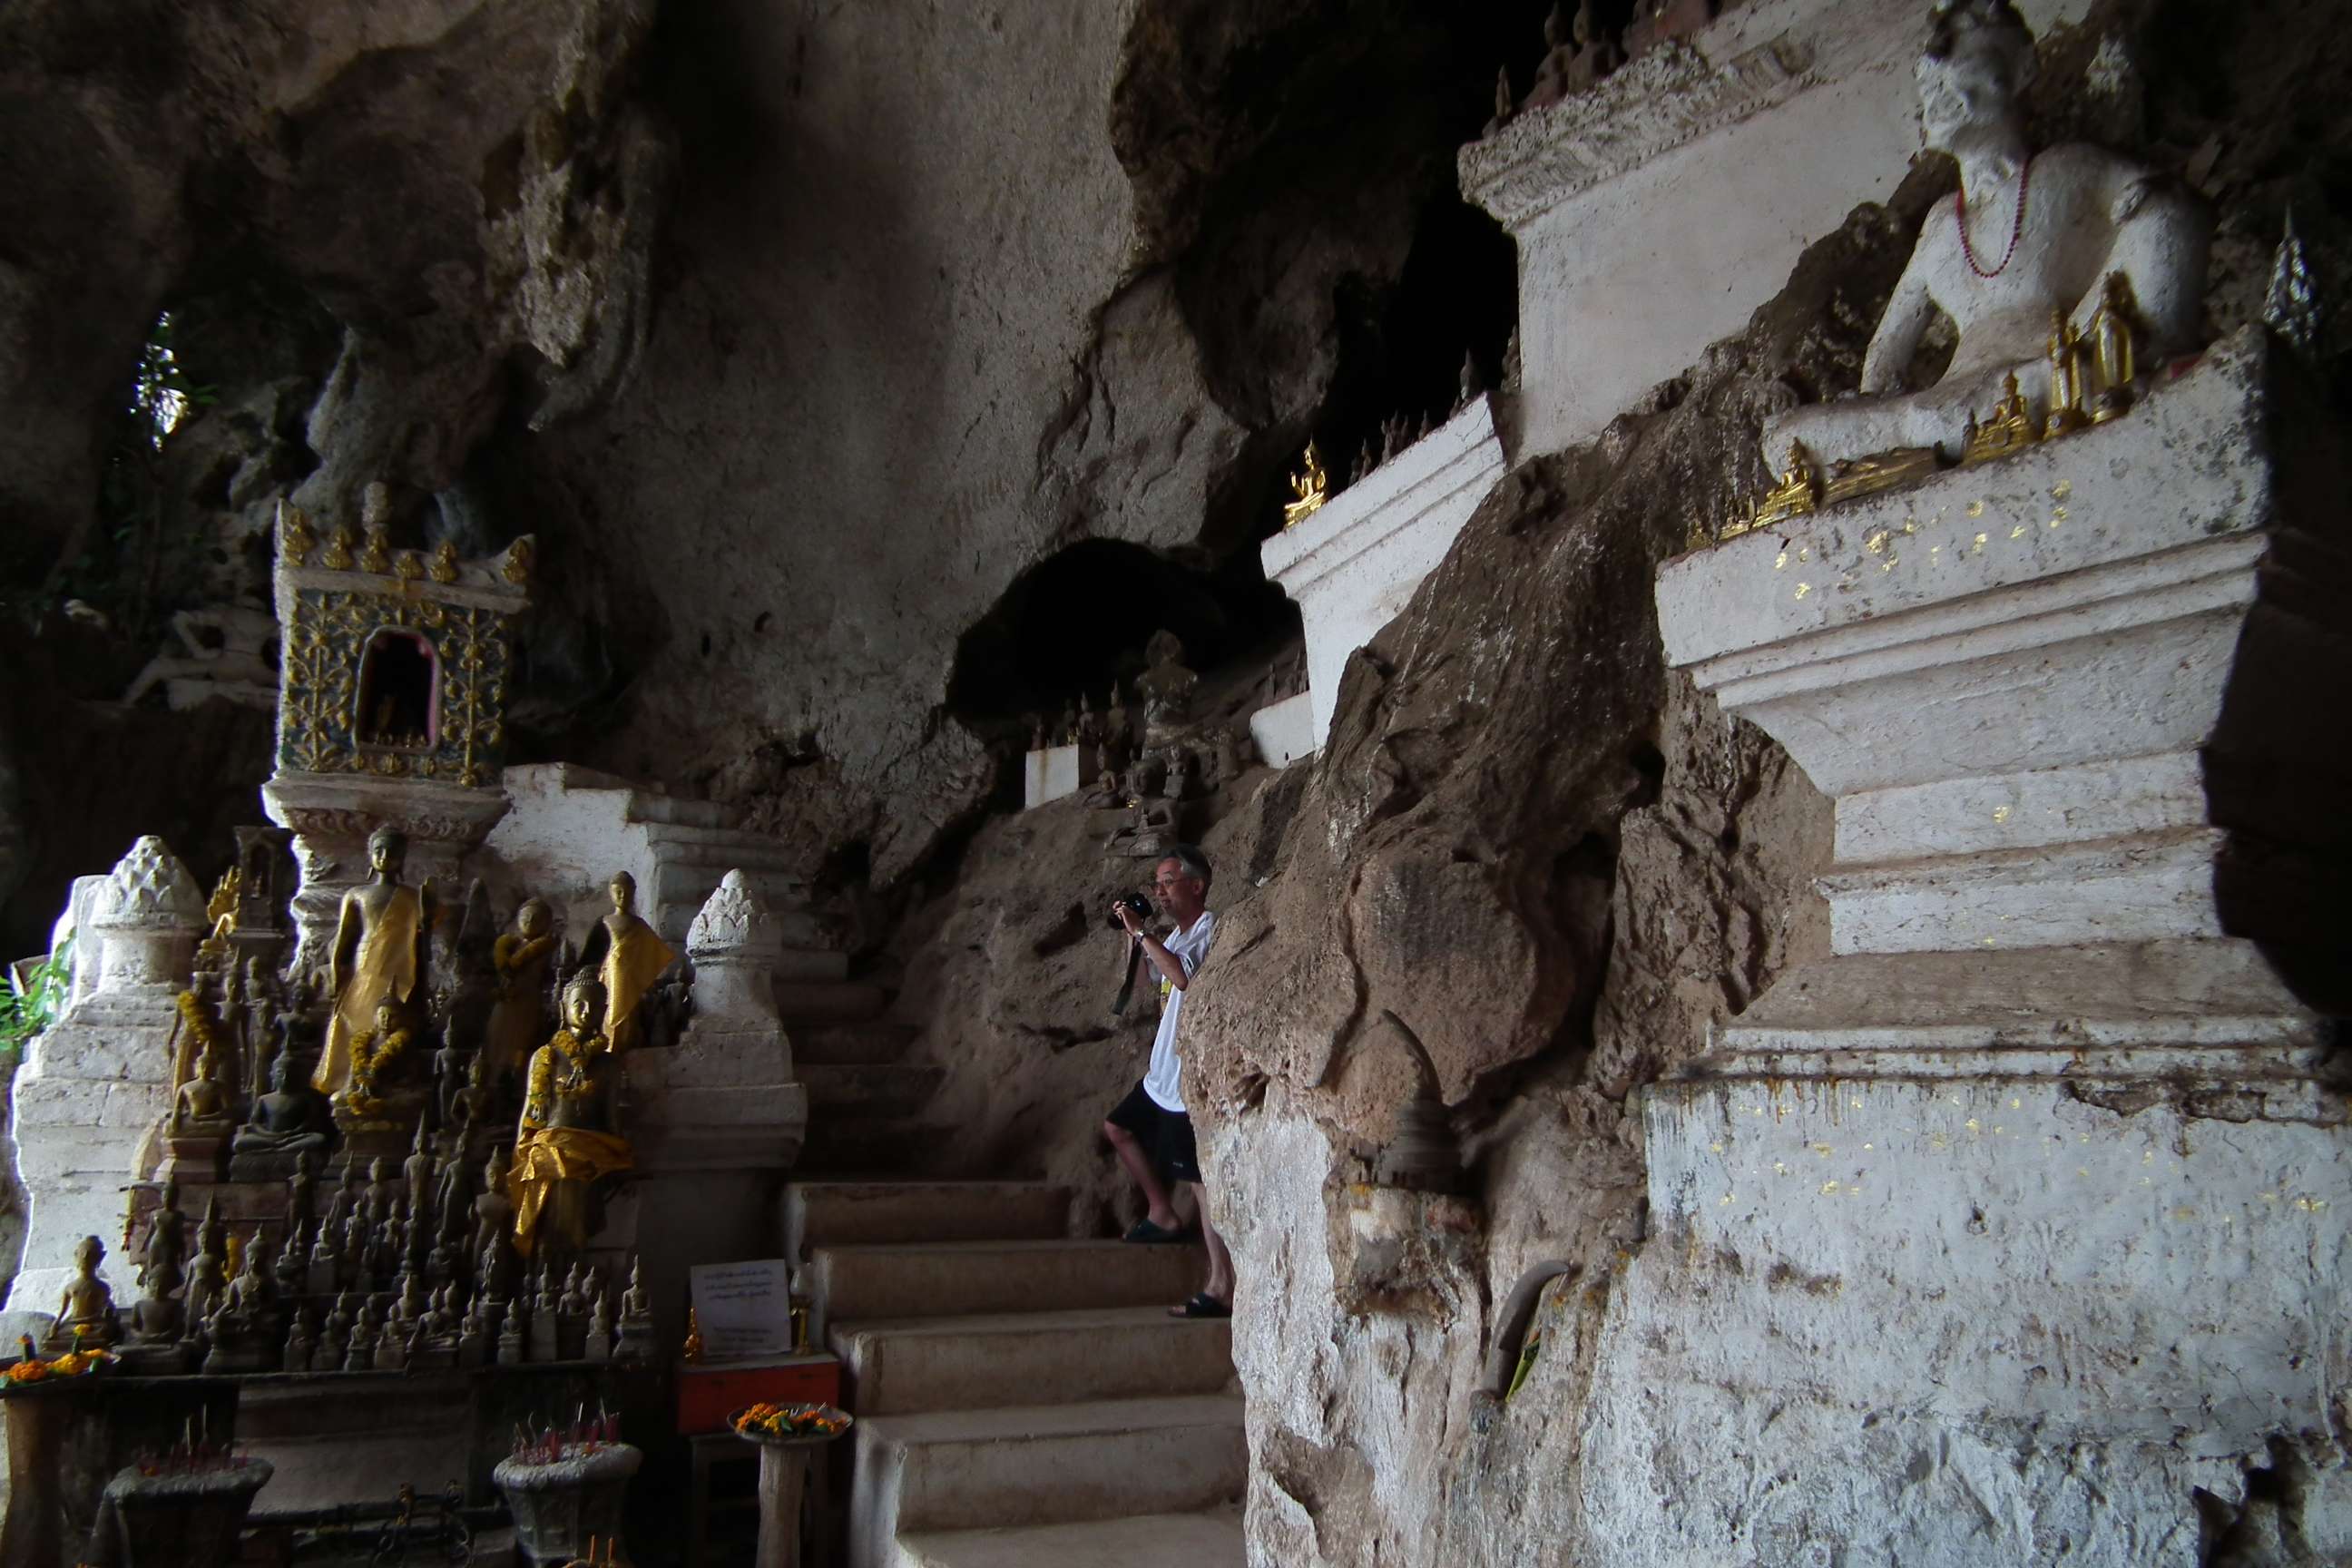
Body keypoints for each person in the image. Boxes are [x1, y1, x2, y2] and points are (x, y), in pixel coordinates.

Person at [1101, 846, 1231, 1318]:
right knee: (1118, 1127)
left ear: (1197, 886)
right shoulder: (1175, 936)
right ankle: (1161, 1212)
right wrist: (1133, 939)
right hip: (1162, 1073)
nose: (1160, 891)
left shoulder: (1209, 931)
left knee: (1199, 1182)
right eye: (1157, 884)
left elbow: (1182, 978)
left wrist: (1144, 933)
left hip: (1183, 1080)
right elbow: (1148, 984)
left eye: (1169, 881)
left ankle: (1221, 1285)